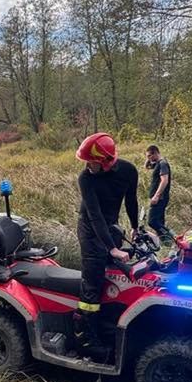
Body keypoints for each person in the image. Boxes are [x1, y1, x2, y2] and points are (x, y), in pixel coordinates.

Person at [74, 133, 139, 347]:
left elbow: (131, 201)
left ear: (106, 162)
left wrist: (136, 228)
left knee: (114, 275)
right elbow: (94, 215)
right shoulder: (85, 179)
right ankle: (86, 336)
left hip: (110, 226)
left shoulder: (129, 171)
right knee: (93, 278)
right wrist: (111, 248)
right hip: (91, 229)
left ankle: (110, 324)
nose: (87, 166)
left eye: (91, 162)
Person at [144, 145, 172, 240]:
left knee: (152, 221)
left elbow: (164, 180)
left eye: (149, 156)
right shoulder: (158, 163)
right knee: (160, 220)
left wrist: (156, 196)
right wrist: (148, 160)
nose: (148, 158)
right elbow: (147, 167)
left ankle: (171, 236)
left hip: (160, 197)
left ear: (155, 153)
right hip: (160, 197)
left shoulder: (163, 164)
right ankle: (165, 242)